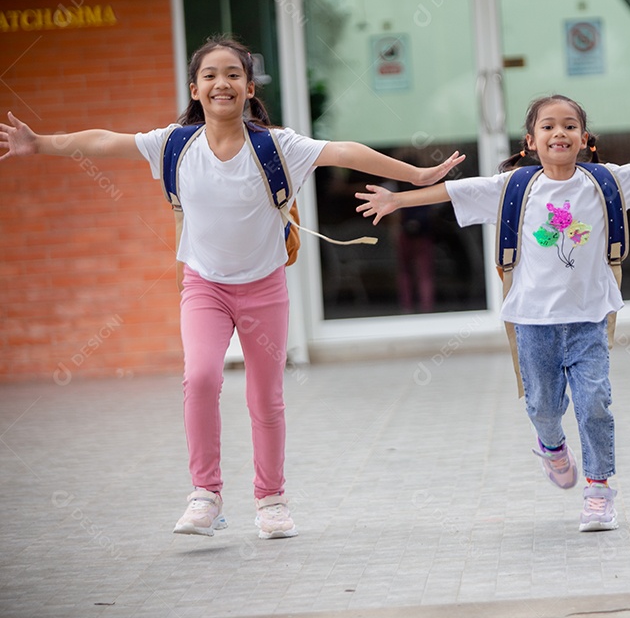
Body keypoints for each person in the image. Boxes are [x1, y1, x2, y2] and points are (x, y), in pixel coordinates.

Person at [0, 36, 464, 540]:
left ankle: (271, 499)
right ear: (195, 88)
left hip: (264, 288)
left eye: (233, 74)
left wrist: (416, 175)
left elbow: (345, 151)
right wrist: (39, 143)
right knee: (200, 378)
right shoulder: (174, 143)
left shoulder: (277, 145)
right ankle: (206, 495)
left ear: (248, 87)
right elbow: (104, 140)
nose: (222, 83)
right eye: (210, 75)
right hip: (204, 287)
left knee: (266, 399)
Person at [355, 94, 630, 531]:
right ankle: (553, 447)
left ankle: (598, 491)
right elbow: (453, 191)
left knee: (595, 402)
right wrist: (397, 202)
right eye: (549, 126)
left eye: (570, 126)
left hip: (589, 319)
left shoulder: (604, 182)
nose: (560, 132)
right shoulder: (515, 187)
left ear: (584, 139)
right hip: (533, 323)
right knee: (541, 407)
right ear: (531, 141)